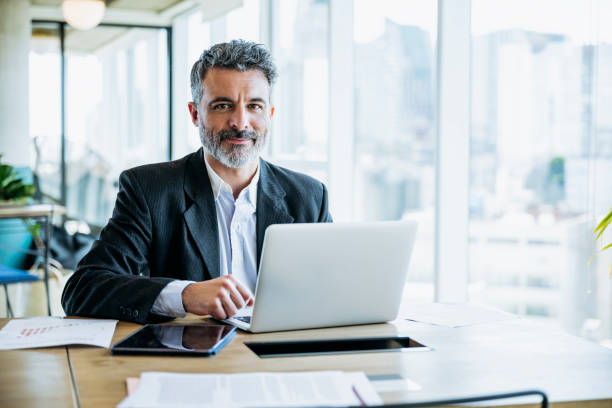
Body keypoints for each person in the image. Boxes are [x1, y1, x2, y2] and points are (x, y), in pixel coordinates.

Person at [61, 40, 332, 324]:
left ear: (270, 115)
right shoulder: (149, 189)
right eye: (223, 105)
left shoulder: (309, 196)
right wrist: (184, 295)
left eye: (254, 106)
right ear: (195, 114)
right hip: (194, 359)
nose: (240, 123)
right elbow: (82, 289)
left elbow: (333, 288)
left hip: (285, 357)